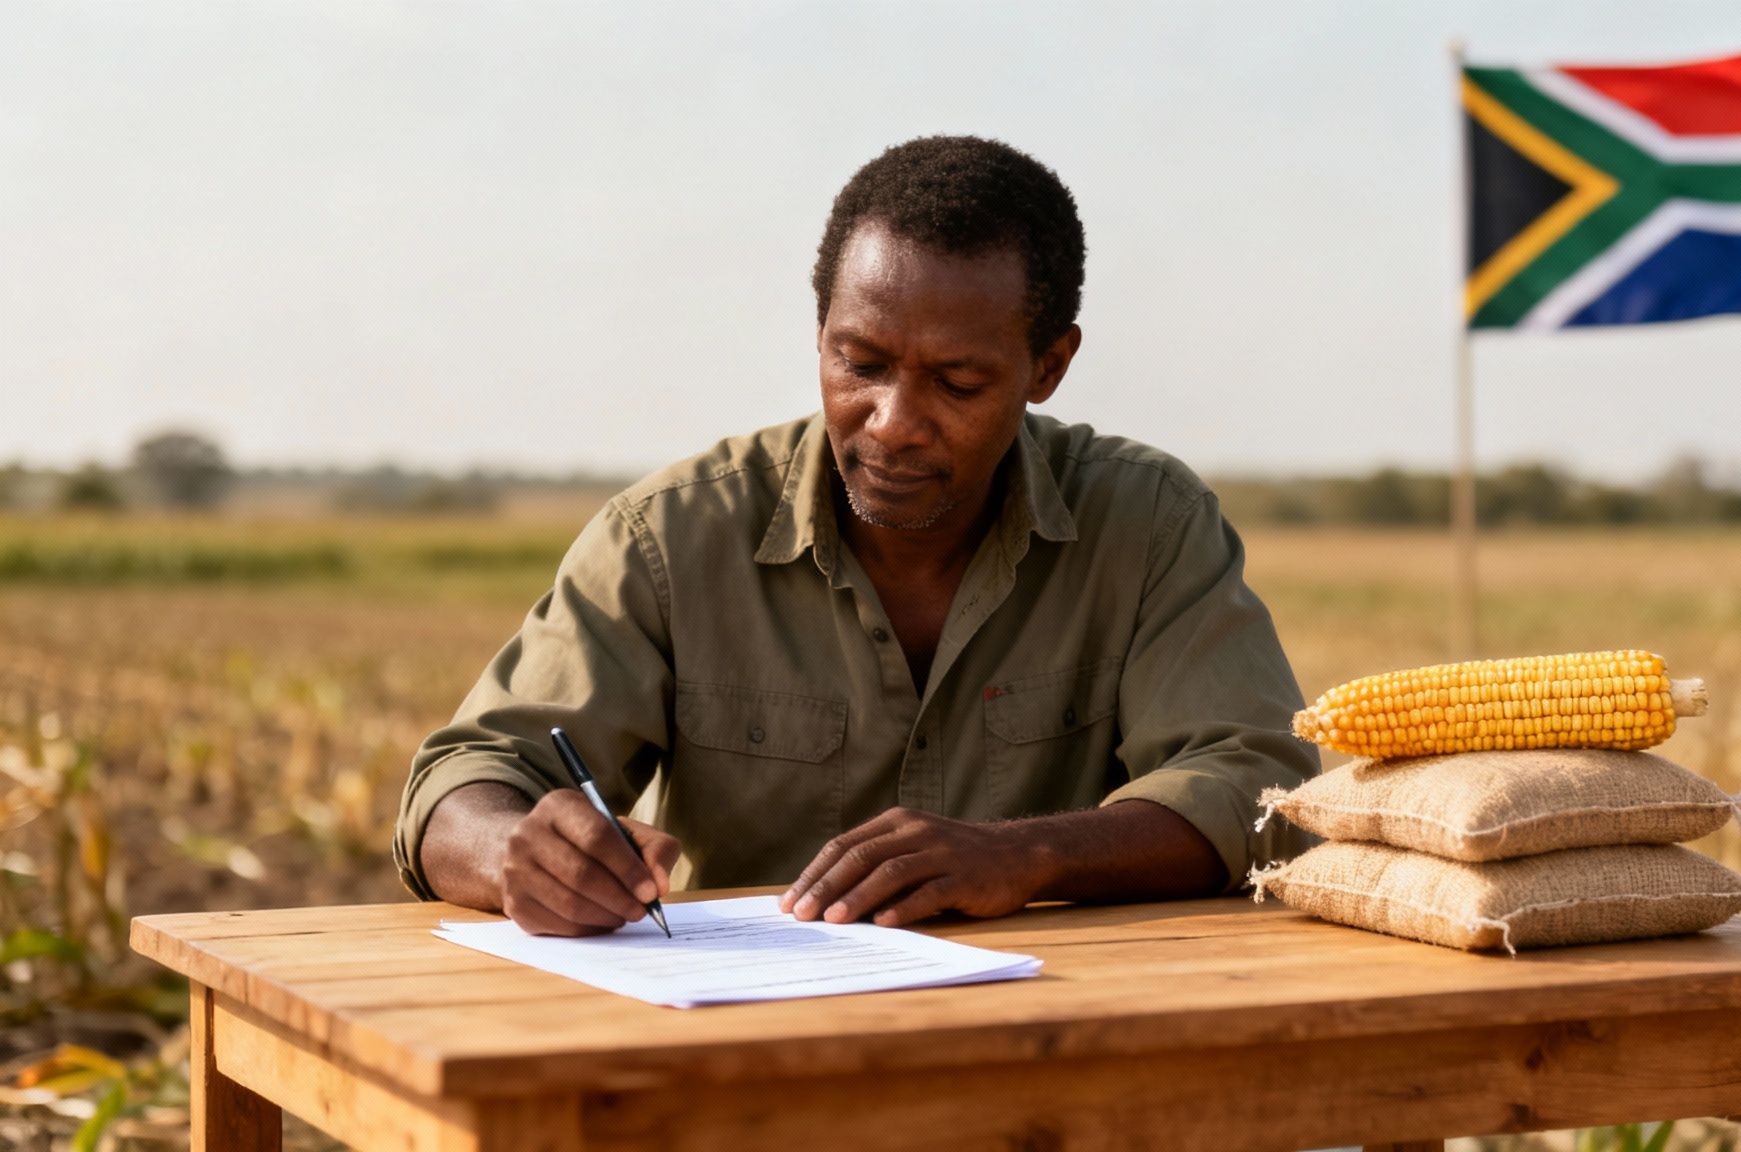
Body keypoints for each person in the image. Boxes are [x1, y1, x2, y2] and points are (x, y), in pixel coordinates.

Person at [391, 135, 1316, 937]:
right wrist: (517, 849)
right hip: (751, 1052)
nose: (892, 421)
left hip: (1059, 1036)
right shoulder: (671, 540)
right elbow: (465, 778)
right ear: (820, 331)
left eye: (956, 383)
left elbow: (1260, 785)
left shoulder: (1147, 524)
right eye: (859, 363)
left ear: (1049, 367)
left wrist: (1026, 855)